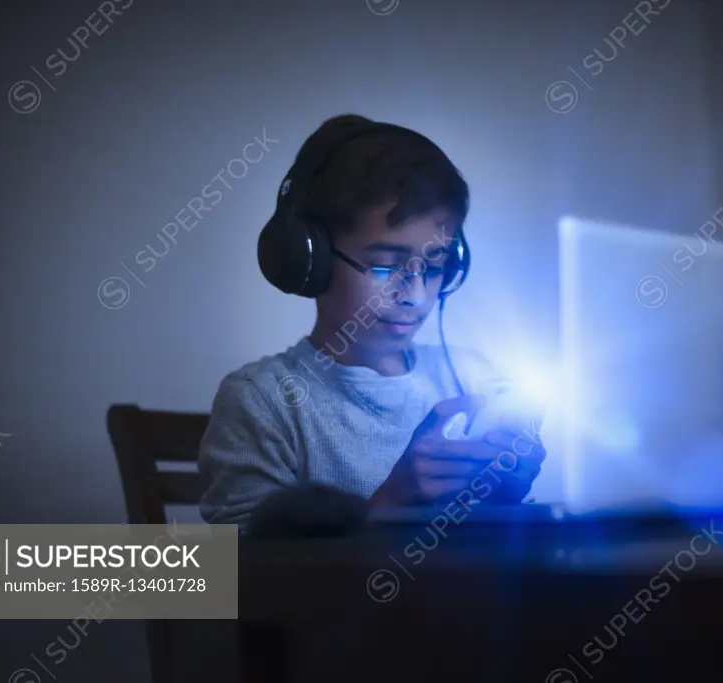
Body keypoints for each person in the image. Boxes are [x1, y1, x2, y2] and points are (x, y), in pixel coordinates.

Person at [198, 114, 546, 532]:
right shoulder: (262, 402)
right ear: (310, 260)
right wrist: (389, 505)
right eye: (384, 267)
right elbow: (245, 580)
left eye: (434, 267)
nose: (415, 295)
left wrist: (503, 494)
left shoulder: (474, 380)